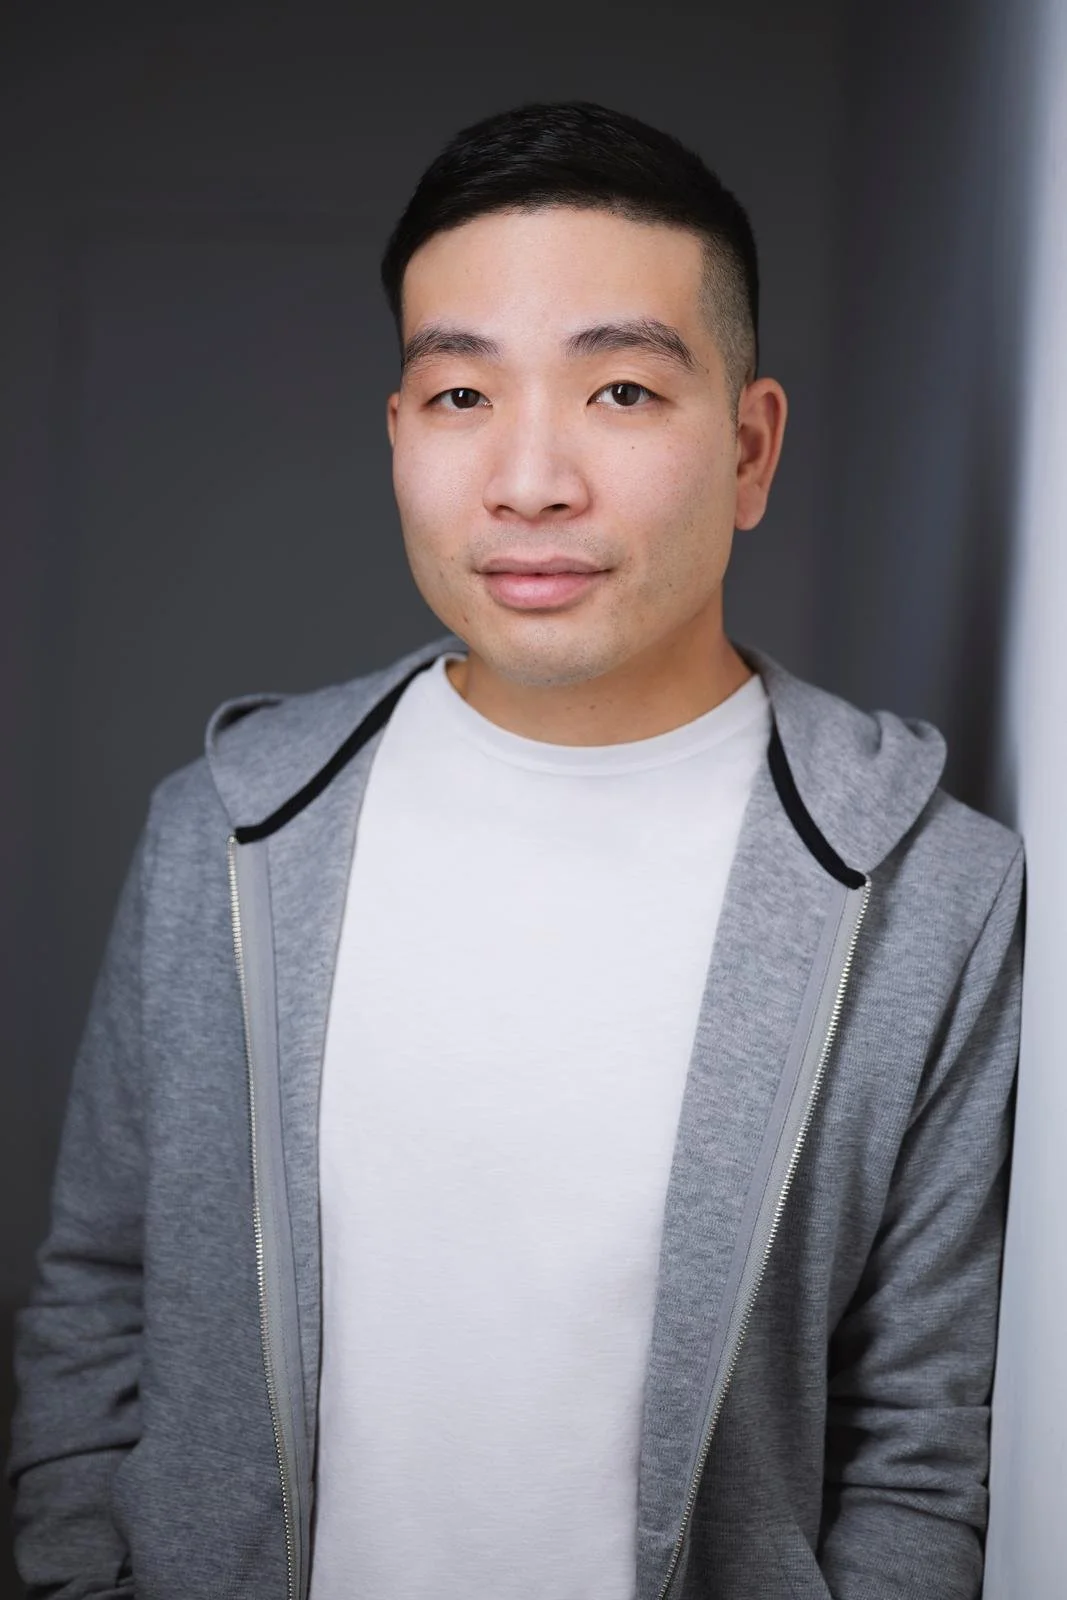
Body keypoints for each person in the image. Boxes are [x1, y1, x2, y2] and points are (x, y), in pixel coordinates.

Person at [7, 100, 1024, 1600]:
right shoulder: (227, 828)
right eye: (461, 396)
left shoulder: (929, 889)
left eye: (619, 390)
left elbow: (920, 1441)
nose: (529, 480)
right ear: (400, 434)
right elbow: (99, 1298)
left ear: (748, 450)